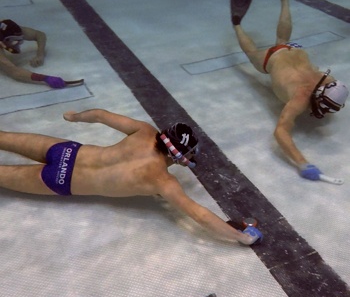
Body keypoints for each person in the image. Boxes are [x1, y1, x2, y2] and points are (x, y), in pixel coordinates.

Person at [0, 108, 262, 245]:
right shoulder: (162, 181)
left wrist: (75, 117)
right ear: (182, 157)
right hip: (60, 180)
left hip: (67, 151)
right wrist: (241, 237)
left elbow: (100, 115)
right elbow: (199, 214)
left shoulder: (144, 131)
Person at [230, 0, 349, 181]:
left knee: (282, 40)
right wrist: (303, 163)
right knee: (251, 54)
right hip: (271, 59)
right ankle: (237, 22)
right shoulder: (300, 99)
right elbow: (280, 132)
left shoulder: (328, 80)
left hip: (294, 50)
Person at [0, 19, 81, 88]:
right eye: (15, 42)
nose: (18, 44)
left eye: (20, 40)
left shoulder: (8, 28)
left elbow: (39, 34)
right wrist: (45, 78)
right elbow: (15, 72)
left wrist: (40, 54)